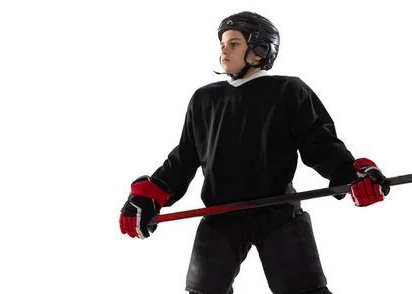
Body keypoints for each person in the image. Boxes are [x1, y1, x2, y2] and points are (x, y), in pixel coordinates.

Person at [119, 11, 390, 294]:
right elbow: (185, 157)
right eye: (223, 43)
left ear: (261, 50)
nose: (224, 48)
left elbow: (320, 145)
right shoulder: (204, 100)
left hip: (279, 214)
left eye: (234, 43)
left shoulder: (288, 91)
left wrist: (353, 174)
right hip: (220, 216)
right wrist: (150, 195)